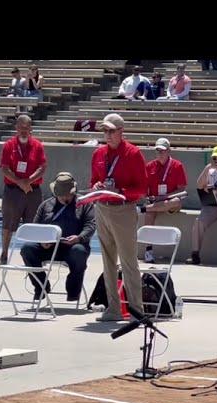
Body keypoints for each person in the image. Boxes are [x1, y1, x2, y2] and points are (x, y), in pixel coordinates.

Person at [90, 113, 148, 321]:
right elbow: (94, 180)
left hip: (123, 209)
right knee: (107, 261)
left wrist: (120, 189)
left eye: (111, 131)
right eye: (105, 131)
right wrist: (96, 186)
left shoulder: (133, 154)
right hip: (102, 207)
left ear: (121, 131)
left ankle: (136, 310)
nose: (107, 135)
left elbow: (141, 188)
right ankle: (113, 308)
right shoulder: (98, 153)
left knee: (128, 261)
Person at [21, 172, 95, 301]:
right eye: (60, 195)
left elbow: (91, 225)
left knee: (79, 252)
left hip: (73, 246)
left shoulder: (84, 204)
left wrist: (79, 238)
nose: (64, 198)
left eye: (67, 195)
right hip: (48, 246)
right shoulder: (46, 205)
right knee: (27, 249)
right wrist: (41, 240)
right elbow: (36, 226)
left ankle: (73, 291)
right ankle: (41, 286)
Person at [0, 115, 47, 265]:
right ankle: (4, 254)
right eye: (21, 128)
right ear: (16, 128)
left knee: (33, 224)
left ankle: (32, 255)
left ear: (30, 129)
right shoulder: (9, 145)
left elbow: (42, 167)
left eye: (27, 128)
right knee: (8, 224)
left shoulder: (38, 146)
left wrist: (28, 181)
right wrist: (20, 182)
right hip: (13, 191)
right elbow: (4, 168)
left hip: (33, 190)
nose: (24, 131)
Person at [139, 138, 188, 263]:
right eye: (158, 150)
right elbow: (144, 189)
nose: (160, 153)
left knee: (176, 202)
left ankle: (146, 209)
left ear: (169, 151)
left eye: (162, 150)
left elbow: (181, 190)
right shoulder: (149, 166)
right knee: (149, 214)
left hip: (169, 201)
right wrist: (148, 197)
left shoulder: (177, 165)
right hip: (155, 202)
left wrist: (165, 197)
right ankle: (148, 250)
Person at [188, 145, 217, 267]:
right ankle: (195, 254)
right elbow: (199, 185)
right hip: (213, 203)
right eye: (214, 158)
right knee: (199, 221)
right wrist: (206, 169)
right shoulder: (210, 170)